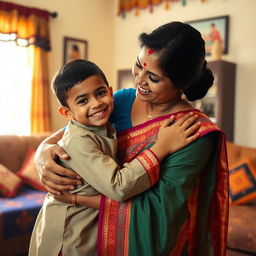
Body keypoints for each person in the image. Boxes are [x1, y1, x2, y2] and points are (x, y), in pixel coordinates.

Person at [34, 22, 229, 256]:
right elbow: (73, 132)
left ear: (181, 84)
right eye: (138, 66)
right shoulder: (123, 100)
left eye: (153, 78)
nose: (139, 80)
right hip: (80, 235)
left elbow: (157, 210)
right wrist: (43, 150)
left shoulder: (192, 132)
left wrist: (76, 199)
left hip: (134, 242)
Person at [29, 59, 200, 256]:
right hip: (70, 234)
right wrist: (162, 146)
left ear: (111, 92)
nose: (96, 103)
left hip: (91, 227)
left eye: (100, 93)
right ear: (67, 113)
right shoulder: (80, 140)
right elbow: (119, 187)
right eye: (83, 100)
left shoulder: (103, 123)